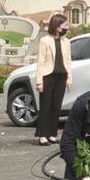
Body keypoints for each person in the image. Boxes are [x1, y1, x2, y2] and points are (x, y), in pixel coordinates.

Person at [35, 14, 72, 146]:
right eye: (65, 25)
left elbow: (68, 61)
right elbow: (40, 62)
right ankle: (42, 135)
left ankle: (52, 134)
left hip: (61, 77)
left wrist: (69, 79)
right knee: (46, 107)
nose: (67, 27)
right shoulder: (45, 41)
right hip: (48, 76)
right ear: (57, 27)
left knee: (56, 107)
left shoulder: (66, 42)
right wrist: (39, 81)